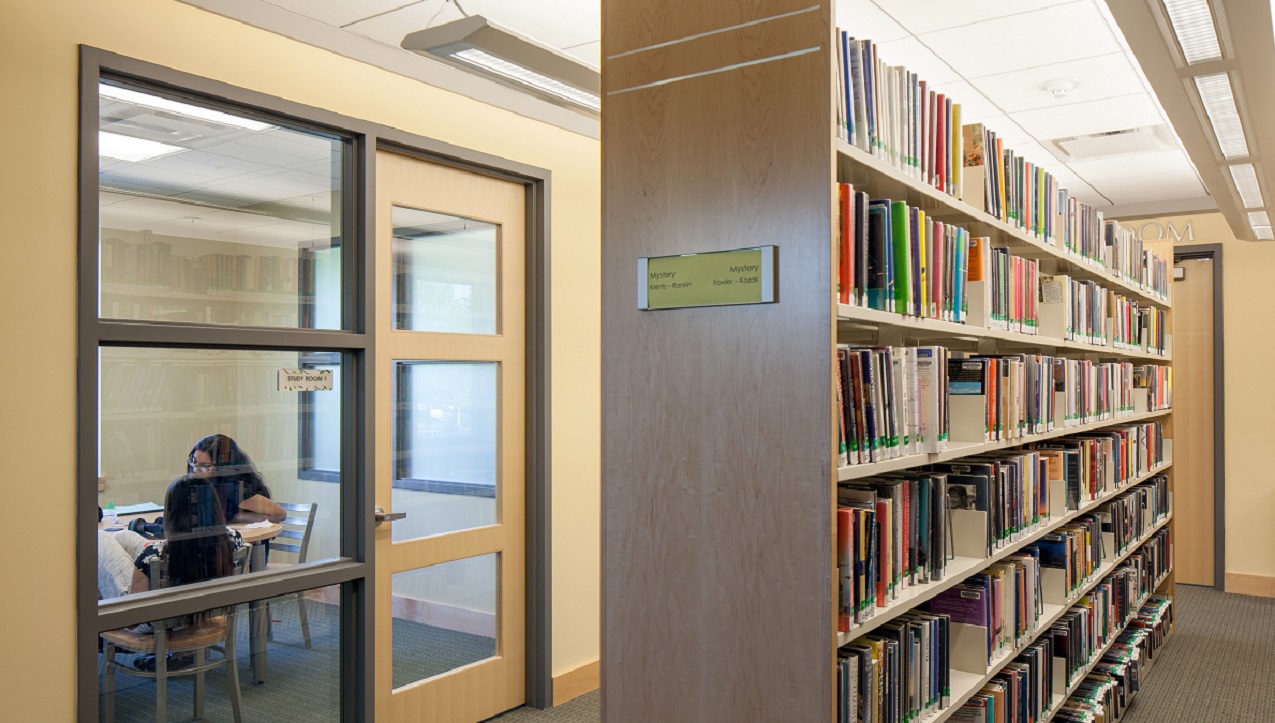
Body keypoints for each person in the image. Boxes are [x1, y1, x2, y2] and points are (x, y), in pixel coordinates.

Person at [127, 474, 247, 671]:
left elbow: (132, 620)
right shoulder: (233, 539)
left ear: (171, 512)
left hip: (161, 621)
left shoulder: (153, 555)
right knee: (125, 536)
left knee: (102, 542)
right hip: (207, 612)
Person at [187, 434, 286, 524]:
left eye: (204, 466)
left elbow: (280, 514)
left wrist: (239, 518)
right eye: (193, 462)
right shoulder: (196, 487)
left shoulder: (237, 491)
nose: (195, 470)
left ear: (222, 470)